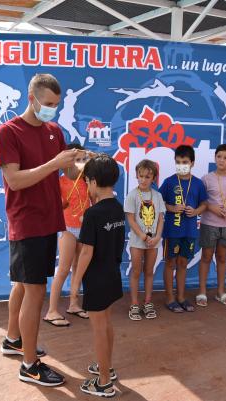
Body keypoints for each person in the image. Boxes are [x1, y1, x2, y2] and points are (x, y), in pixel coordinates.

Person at [0, 74, 80, 386]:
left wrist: (78, 162)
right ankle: (30, 365)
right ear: (31, 99)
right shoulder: (8, 132)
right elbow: (14, 181)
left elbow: (66, 170)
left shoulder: (55, 131)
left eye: (56, 105)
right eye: (48, 104)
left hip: (49, 218)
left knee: (23, 284)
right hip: (26, 220)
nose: (52, 110)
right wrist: (53, 163)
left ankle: (14, 340)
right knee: (34, 291)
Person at [70, 154, 124, 398]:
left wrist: (74, 285)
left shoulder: (93, 214)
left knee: (99, 329)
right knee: (107, 324)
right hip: (112, 275)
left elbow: (85, 253)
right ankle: (107, 369)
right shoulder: (117, 207)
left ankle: (103, 383)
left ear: (92, 182)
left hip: (97, 279)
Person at [43, 143, 91, 327]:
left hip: (84, 229)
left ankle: (73, 304)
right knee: (63, 269)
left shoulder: (87, 179)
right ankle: (52, 310)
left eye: (82, 160)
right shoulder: (60, 181)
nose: (80, 163)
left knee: (78, 268)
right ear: (66, 162)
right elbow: (54, 205)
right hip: (67, 229)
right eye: (75, 160)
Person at [159, 145, 208, 313]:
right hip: (172, 231)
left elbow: (204, 204)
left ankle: (180, 297)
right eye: (178, 162)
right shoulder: (169, 182)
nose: (181, 165)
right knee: (170, 263)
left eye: (185, 162)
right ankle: (169, 297)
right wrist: (172, 208)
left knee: (183, 263)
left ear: (192, 163)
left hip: (189, 231)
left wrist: (195, 211)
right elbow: (160, 202)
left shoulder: (198, 184)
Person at [197, 144, 226, 307]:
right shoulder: (206, 178)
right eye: (219, 157)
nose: (221, 160)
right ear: (215, 158)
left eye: (225, 158)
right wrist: (211, 207)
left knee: (222, 258)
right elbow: (201, 201)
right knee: (206, 257)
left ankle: (220, 292)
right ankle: (202, 292)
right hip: (209, 223)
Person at [124, 159, 165, 320]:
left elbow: (161, 218)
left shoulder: (158, 196)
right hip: (137, 241)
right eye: (140, 176)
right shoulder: (132, 195)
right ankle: (134, 304)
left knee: (149, 272)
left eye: (147, 177)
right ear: (136, 175)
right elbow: (131, 219)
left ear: (153, 178)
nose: (143, 179)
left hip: (153, 242)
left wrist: (157, 237)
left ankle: (148, 302)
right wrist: (142, 236)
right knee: (136, 271)